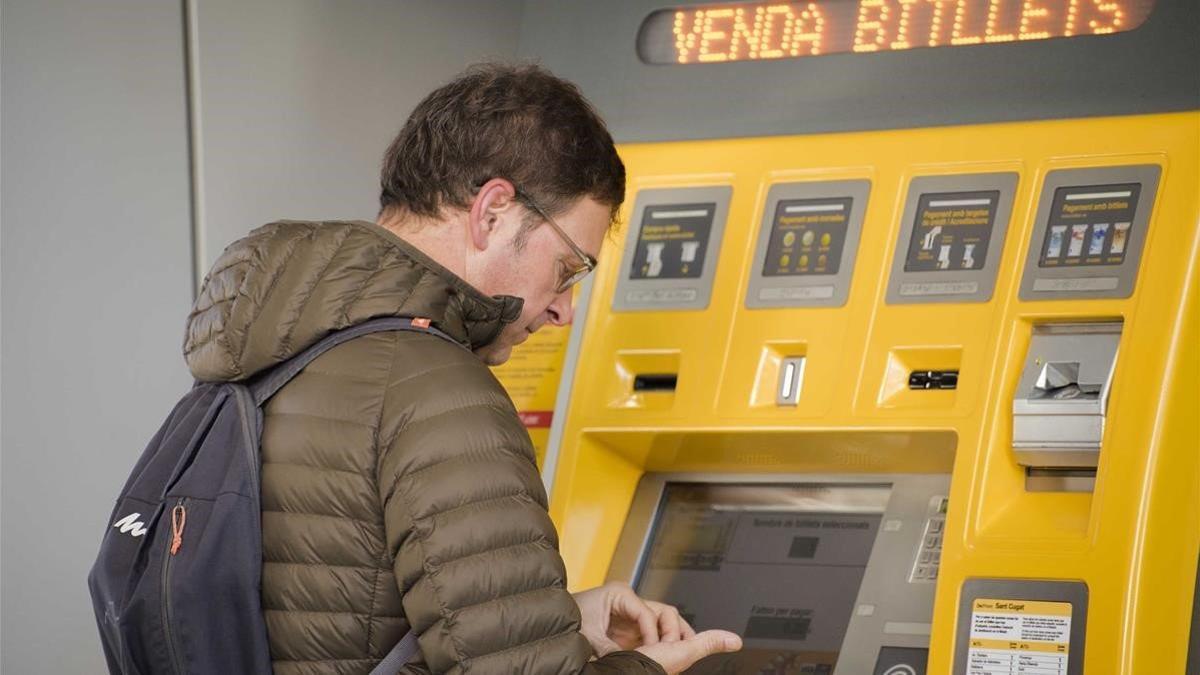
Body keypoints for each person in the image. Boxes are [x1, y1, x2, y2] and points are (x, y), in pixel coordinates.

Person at [183, 62, 741, 674]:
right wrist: (648, 668)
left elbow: (337, 623)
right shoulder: (438, 392)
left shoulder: (279, 349)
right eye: (568, 268)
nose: (563, 310)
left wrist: (550, 620)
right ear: (494, 211)